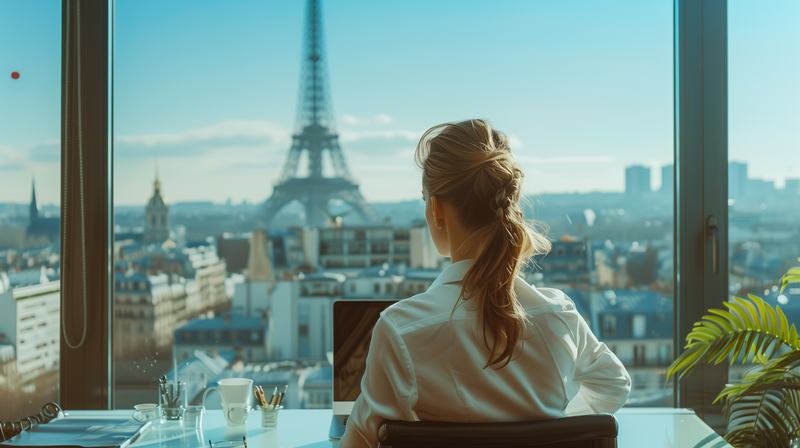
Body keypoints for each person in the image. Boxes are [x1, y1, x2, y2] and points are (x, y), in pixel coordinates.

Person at [341, 119, 631, 448]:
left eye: (425, 199)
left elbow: (361, 442)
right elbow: (613, 384)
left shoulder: (402, 329)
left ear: (436, 209)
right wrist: (559, 430)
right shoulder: (558, 314)